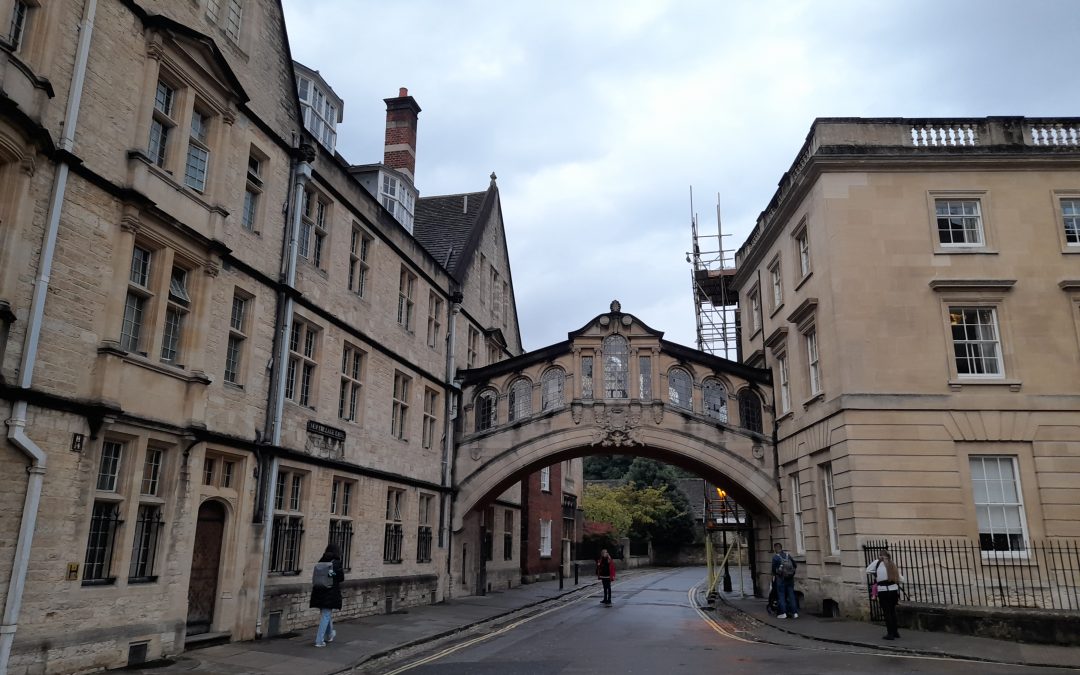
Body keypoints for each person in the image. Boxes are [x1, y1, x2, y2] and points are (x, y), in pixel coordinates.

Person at [310, 543, 345, 647]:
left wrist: (329, 573)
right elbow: (340, 577)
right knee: (326, 615)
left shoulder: (321, 560)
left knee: (326, 614)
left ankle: (330, 634)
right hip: (330, 592)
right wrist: (332, 573)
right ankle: (319, 640)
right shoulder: (336, 562)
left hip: (319, 591)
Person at [866, 549, 903, 640]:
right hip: (893, 590)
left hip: (883, 591)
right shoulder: (892, 564)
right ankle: (895, 632)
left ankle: (890, 634)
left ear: (880, 556)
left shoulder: (877, 563)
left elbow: (868, 570)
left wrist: (877, 574)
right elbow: (902, 579)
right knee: (892, 612)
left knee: (887, 613)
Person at [770, 542, 798, 619]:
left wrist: (774, 575)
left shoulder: (775, 557)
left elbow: (773, 569)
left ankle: (783, 613)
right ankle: (794, 613)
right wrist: (791, 574)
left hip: (780, 579)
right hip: (790, 579)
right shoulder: (787, 555)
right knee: (791, 595)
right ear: (781, 548)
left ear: (775, 548)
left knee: (781, 595)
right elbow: (795, 565)